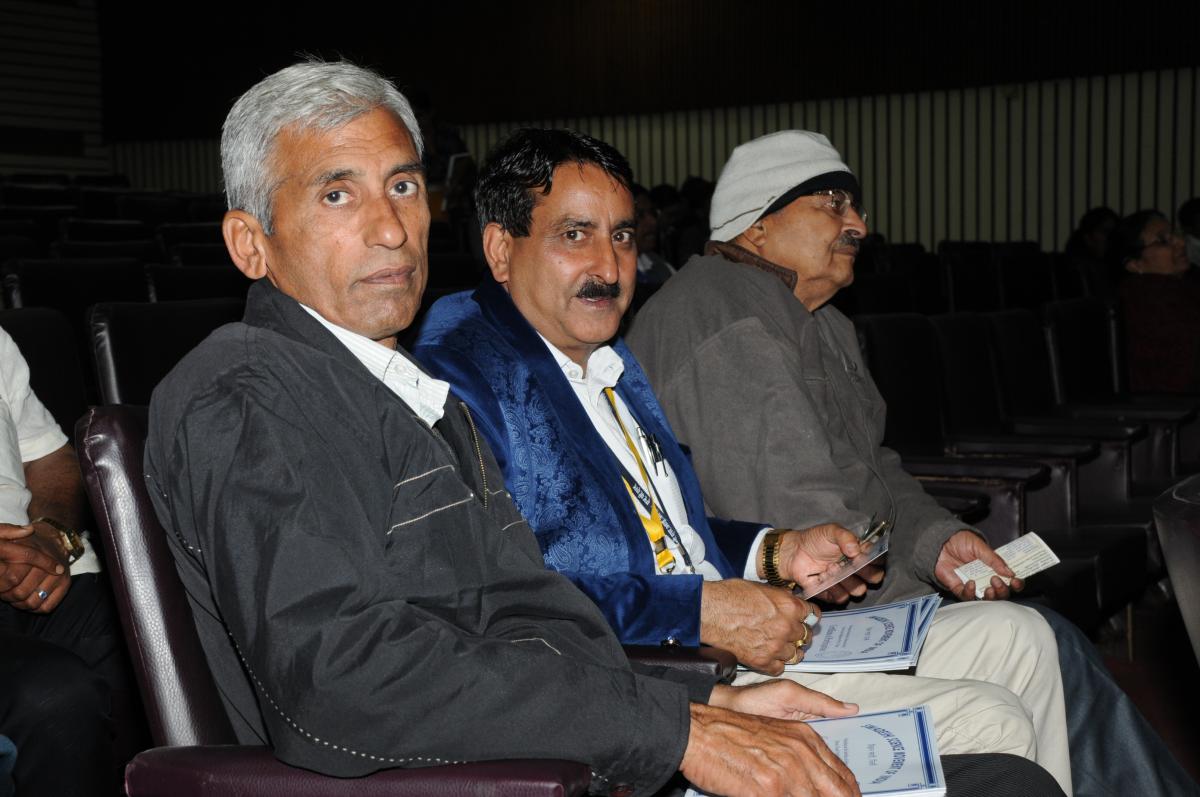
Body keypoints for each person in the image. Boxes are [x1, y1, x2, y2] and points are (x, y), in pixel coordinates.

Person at [145, 58, 895, 797]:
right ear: (250, 242)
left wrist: (698, 704)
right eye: (337, 194)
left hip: (566, 745)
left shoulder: (406, 393)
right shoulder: (252, 394)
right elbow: (340, 677)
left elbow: (516, 614)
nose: (391, 230)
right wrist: (675, 731)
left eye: (403, 186)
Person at [412, 128, 1069, 791]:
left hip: (732, 637)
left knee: (1018, 639)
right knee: (993, 721)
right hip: (662, 677)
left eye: (623, 236)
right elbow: (500, 602)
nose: (609, 267)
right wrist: (700, 610)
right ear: (501, 248)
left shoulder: (604, 361)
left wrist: (774, 551)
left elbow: (675, 533)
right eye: (574, 235)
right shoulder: (467, 382)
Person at [625, 129, 1200, 797]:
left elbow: (877, 465)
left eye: (856, 207)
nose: (859, 225)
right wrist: (923, 591)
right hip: (770, 636)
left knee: (1028, 636)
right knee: (1017, 672)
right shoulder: (727, 323)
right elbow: (813, 537)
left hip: (842, 603)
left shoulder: (821, 321)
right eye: (833, 204)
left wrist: (938, 542)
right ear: (757, 224)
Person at [0, 327, 125, 796]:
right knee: (53, 695)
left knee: (174, 641)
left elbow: (51, 459)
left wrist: (52, 534)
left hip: (46, 573)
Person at [1112, 209, 1200, 394]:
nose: (1180, 242)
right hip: (1170, 402)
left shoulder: (1182, 285)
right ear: (1135, 264)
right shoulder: (1145, 298)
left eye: (1175, 234)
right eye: (1163, 240)